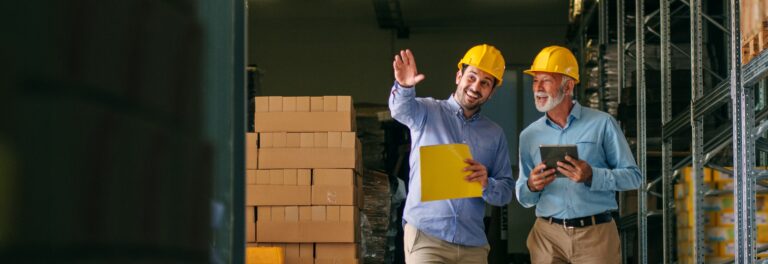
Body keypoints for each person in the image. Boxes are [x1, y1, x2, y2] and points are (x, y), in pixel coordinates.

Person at [515, 46, 642, 264]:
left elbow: (633, 177)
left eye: (546, 80)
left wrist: (592, 175)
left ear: (569, 85)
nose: (538, 88)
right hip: (547, 237)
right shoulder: (529, 136)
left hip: (596, 236)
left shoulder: (602, 124)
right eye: (535, 81)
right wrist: (532, 186)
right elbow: (523, 196)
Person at [389, 44, 515, 264]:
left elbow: (505, 192)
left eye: (485, 83)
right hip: (427, 237)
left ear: (492, 92)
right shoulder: (427, 112)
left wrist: (487, 183)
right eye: (472, 77)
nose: (476, 87)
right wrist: (404, 87)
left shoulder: (495, 134)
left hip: (472, 244)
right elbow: (400, 110)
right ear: (459, 76)